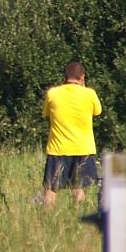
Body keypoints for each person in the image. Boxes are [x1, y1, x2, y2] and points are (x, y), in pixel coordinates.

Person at [43, 61, 102, 207]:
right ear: (82, 77)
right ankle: (78, 217)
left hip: (58, 149)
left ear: (65, 76)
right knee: (78, 188)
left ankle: (47, 219)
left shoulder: (53, 93)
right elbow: (97, 112)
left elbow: (46, 114)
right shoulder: (90, 94)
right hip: (83, 148)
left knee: (51, 189)